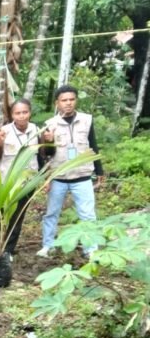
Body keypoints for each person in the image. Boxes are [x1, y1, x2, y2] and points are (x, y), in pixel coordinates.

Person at [37, 84, 104, 258]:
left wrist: (99, 170)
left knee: (88, 214)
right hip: (58, 176)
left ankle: (91, 249)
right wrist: (49, 142)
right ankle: (48, 245)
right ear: (57, 103)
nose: (68, 103)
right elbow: (47, 154)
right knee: (52, 213)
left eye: (71, 99)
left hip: (82, 177)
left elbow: (93, 145)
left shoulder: (86, 120)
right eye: (64, 100)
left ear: (76, 100)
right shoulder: (50, 125)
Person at [0, 99, 43, 255]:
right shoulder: (4, 131)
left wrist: (41, 178)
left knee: (17, 217)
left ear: (30, 113)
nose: (21, 116)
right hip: (7, 182)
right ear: (12, 115)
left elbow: (41, 156)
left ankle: (8, 250)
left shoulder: (37, 130)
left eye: (24, 112)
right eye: (17, 113)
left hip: (27, 183)